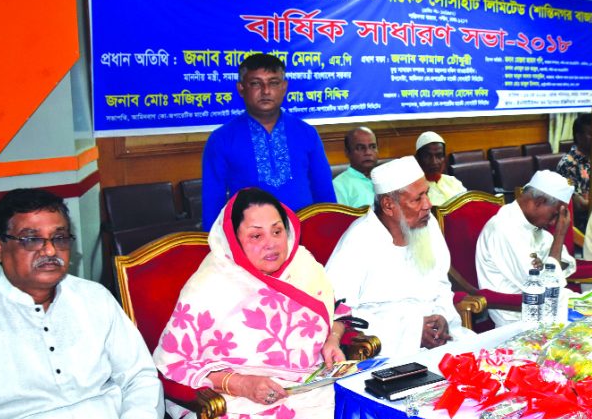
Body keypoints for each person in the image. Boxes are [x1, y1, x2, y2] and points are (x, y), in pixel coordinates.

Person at [0, 189, 185, 419]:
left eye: (59, 238)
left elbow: (138, 375)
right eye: (31, 239)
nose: (49, 250)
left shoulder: (95, 298)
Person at [154, 187, 348, 419]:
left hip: (313, 391)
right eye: (256, 235)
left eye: (277, 231)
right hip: (236, 408)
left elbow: (336, 312)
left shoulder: (303, 264)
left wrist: (332, 339)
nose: (272, 244)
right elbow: (170, 364)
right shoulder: (210, 285)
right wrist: (241, 384)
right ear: (235, 239)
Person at [325, 156, 474, 358]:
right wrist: (412, 332)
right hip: (388, 350)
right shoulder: (358, 241)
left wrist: (442, 318)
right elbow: (340, 312)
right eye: (417, 198)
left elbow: (441, 285)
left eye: (427, 194)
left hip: (441, 340)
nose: (428, 204)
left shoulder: (427, 226)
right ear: (388, 205)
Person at [201, 53, 335, 230]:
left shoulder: (306, 133)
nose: (265, 91)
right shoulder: (222, 139)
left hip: (307, 234)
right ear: (241, 89)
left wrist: (331, 231)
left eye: (273, 83)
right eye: (256, 83)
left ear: (284, 86)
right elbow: (213, 201)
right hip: (251, 241)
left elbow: (324, 192)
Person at [476, 170, 578, 326]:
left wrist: (548, 265)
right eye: (554, 215)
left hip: (548, 306)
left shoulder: (534, 226)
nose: (554, 223)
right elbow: (543, 286)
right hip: (520, 316)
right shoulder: (504, 228)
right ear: (539, 202)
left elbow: (566, 263)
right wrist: (559, 237)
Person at [555, 113, 592, 230]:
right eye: (591, 134)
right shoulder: (568, 164)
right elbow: (579, 205)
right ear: (579, 137)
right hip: (581, 225)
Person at [414, 131, 467, 205]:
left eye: (439, 155)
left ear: (445, 158)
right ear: (418, 159)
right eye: (428, 156)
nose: (434, 162)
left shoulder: (453, 182)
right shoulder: (413, 191)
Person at [333, 126, 378, 207]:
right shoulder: (338, 185)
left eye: (372, 147)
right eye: (360, 148)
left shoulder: (386, 177)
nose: (368, 152)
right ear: (347, 152)